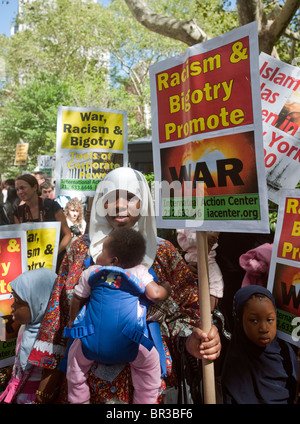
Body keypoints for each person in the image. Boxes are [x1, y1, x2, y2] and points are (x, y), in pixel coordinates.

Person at [28, 167, 221, 404]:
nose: (120, 206)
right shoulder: (79, 251)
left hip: (147, 389)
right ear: (100, 203)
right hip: (84, 387)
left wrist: (195, 340)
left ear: (144, 203)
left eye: (130, 197)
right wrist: (45, 390)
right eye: (110, 198)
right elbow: (56, 321)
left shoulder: (164, 253)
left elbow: (189, 313)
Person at [67, 227, 170, 404]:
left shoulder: (92, 272)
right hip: (130, 341)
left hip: (90, 340)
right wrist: (166, 288)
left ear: (113, 260)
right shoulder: (139, 271)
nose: (97, 256)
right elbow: (155, 294)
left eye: (102, 251)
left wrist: (72, 321)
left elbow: (77, 297)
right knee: (151, 363)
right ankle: (145, 401)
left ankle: (79, 399)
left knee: (74, 364)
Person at [221, 285, 298, 404]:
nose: (264, 329)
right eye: (254, 320)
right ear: (239, 321)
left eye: (269, 320)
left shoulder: (286, 354)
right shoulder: (235, 365)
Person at [0, 268, 57, 404]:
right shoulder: (25, 327)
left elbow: (50, 377)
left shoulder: (48, 339)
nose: (12, 306)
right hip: (15, 393)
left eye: (18, 302)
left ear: (38, 304)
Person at [13, 174, 72, 271]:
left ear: (35, 187)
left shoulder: (52, 206)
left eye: (23, 188)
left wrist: (53, 254)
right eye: (17, 189)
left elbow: (67, 235)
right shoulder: (18, 212)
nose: (20, 192)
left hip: (55, 264)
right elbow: (19, 241)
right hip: (31, 265)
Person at [177, 230, 224, 310]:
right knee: (216, 283)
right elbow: (191, 238)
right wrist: (205, 238)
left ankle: (208, 313)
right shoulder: (191, 222)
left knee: (216, 284)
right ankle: (208, 313)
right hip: (201, 258)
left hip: (207, 257)